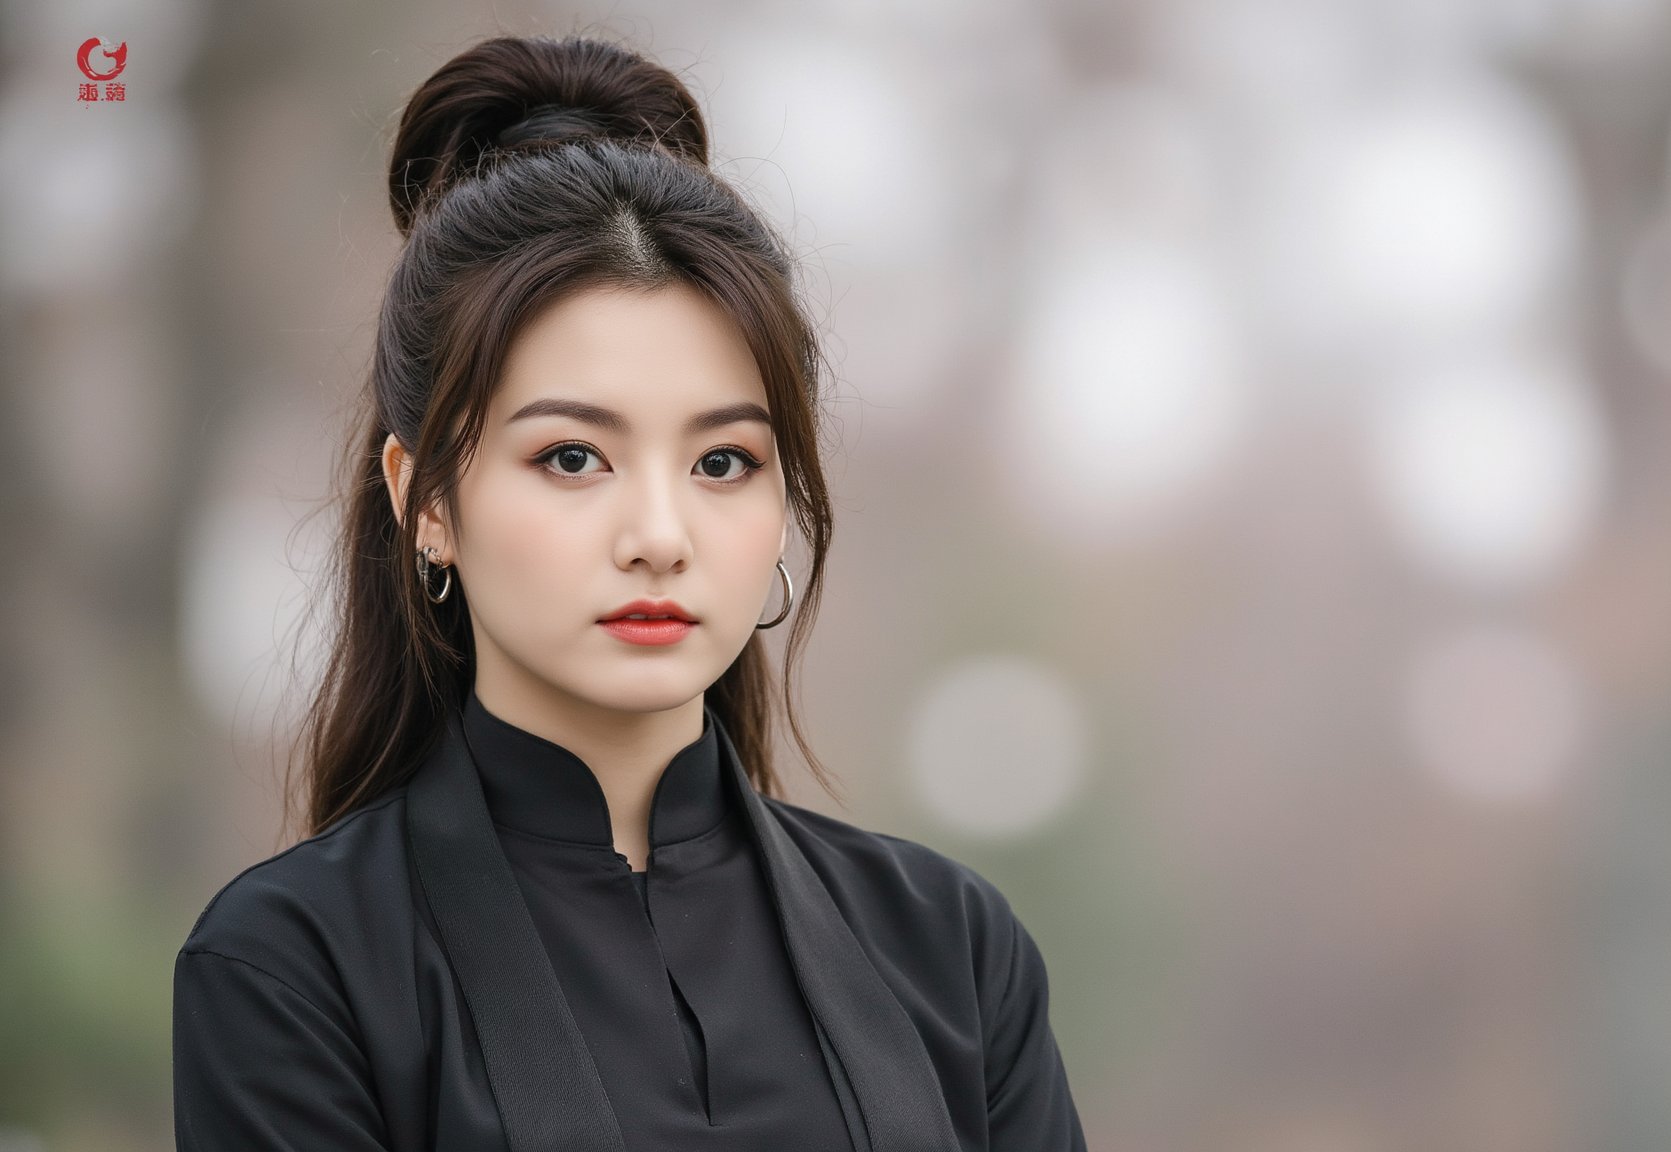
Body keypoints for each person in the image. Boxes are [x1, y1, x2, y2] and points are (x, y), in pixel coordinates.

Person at [170, 33, 1088, 1151]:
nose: (659, 537)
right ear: (428, 502)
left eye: (721, 464)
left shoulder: (949, 949)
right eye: (571, 458)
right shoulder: (295, 969)